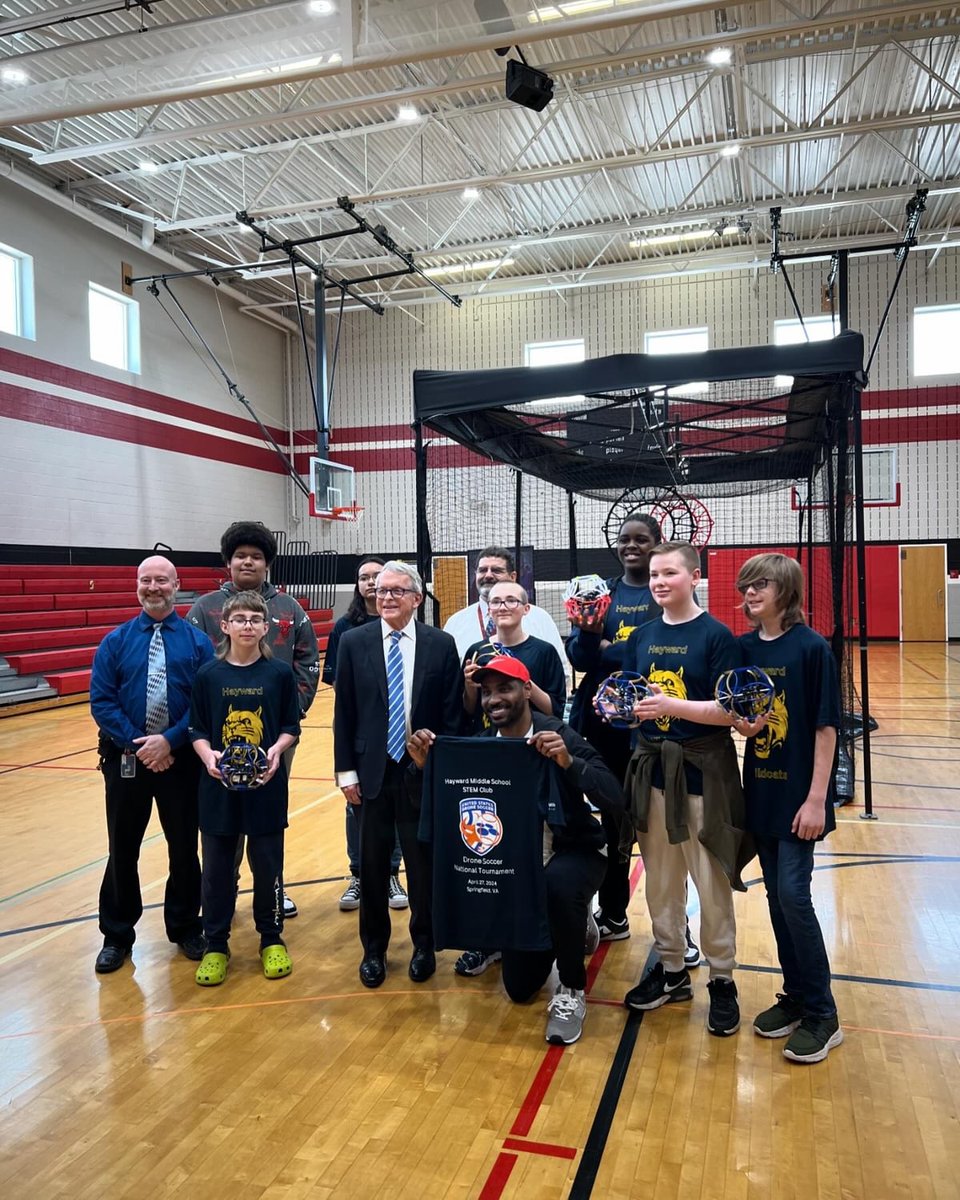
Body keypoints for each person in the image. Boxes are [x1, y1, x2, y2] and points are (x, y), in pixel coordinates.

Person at [408, 655, 624, 1045]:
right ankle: (561, 927)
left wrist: (568, 761)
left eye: (504, 688)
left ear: (527, 690)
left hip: (576, 852)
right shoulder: (479, 750)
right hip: (518, 869)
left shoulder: (558, 733)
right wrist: (425, 767)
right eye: (486, 692)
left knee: (558, 886)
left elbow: (613, 794)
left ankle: (572, 989)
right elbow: (447, 811)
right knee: (520, 988)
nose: (494, 699)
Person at [618, 542, 756, 1037]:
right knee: (660, 881)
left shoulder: (717, 637)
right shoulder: (644, 635)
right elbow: (638, 696)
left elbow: (730, 712)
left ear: (694, 577)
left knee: (711, 882)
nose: (658, 581)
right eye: (653, 574)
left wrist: (670, 708)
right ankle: (672, 970)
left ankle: (722, 979)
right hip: (653, 776)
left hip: (703, 777)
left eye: (669, 573)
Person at [333, 561, 462, 988]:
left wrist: (435, 754)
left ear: (417, 598)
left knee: (422, 867)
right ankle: (374, 950)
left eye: (396, 591)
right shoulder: (353, 642)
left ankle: (424, 945)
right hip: (371, 772)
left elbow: (451, 714)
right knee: (370, 867)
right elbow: (344, 713)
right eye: (380, 590)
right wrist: (345, 772)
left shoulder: (441, 644)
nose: (385, 597)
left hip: (419, 772)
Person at [737, 553, 843, 1064]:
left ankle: (824, 1013)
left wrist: (818, 799)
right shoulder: (744, 648)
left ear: (786, 590)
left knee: (794, 897)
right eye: (747, 586)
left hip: (803, 800)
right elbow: (738, 715)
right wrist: (742, 725)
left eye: (762, 585)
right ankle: (797, 996)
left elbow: (826, 729)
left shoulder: (812, 649)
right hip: (762, 794)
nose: (752, 594)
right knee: (777, 902)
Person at [187, 520, 319, 919]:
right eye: (240, 555)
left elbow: (308, 662)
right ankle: (223, 889)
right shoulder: (205, 608)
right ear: (228, 562)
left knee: (267, 814)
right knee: (223, 817)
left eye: (256, 556)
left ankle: (272, 890)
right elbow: (192, 668)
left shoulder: (289, 608)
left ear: (267, 564)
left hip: (276, 736)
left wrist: (287, 719)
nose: (248, 562)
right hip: (216, 738)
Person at [89, 555, 213, 973]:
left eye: (162, 580)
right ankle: (117, 935)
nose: (154, 587)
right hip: (127, 759)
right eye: (146, 580)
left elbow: (204, 703)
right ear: (136, 586)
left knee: (183, 848)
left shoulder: (198, 643)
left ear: (177, 585)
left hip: (181, 762)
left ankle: (185, 926)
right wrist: (141, 745)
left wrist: (170, 741)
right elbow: (102, 702)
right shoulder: (115, 641)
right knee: (122, 849)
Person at [455, 579, 568, 978]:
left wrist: (519, 680)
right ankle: (489, 939)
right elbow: (470, 711)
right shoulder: (475, 652)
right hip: (491, 759)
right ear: (486, 609)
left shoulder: (544, 651)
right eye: (494, 600)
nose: (501, 606)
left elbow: (555, 707)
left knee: (536, 850)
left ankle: (552, 924)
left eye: (510, 600)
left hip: (535, 760)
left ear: (526, 608)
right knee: (488, 849)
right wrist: (473, 684)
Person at [189, 590, 301, 986]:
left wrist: (274, 752)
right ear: (225, 626)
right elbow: (197, 729)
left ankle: (271, 938)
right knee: (217, 869)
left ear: (266, 627)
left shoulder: (279, 674)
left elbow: (291, 725)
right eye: (240, 619)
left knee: (268, 865)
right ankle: (216, 944)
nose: (248, 625)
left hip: (266, 785)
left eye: (255, 619)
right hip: (217, 788)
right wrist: (208, 758)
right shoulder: (208, 675)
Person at [323, 555, 407, 914]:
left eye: (377, 576)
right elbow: (338, 682)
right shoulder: (346, 628)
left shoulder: (410, 628)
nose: (371, 583)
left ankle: (391, 872)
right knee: (356, 804)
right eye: (364, 578)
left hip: (401, 737)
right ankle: (358, 873)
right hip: (363, 733)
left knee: (401, 803)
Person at [442, 546, 569, 685]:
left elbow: (561, 674)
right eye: (482, 570)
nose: (488, 575)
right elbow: (448, 680)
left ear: (513, 577)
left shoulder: (540, 618)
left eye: (497, 570)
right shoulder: (455, 623)